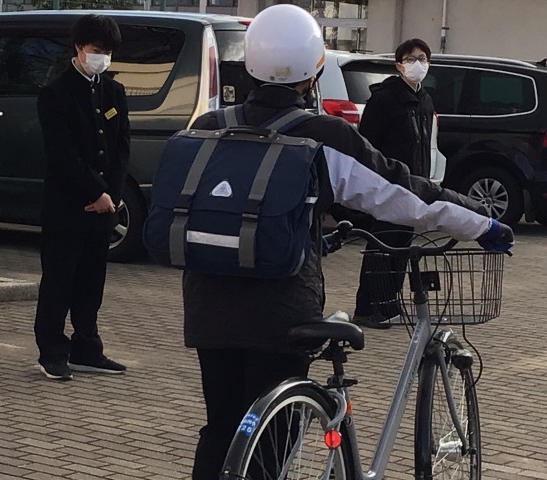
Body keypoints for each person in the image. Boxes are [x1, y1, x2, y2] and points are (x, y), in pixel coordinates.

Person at [181, 5, 514, 479]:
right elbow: (404, 194)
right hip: (279, 306)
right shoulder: (321, 135)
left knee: (222, 428)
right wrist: (483, 223)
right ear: (314, 70)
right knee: (273, 437)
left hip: (208, 302)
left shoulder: (208, 127)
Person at [33, 14, 130, 381]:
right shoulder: (55, 93)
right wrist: (94, 191)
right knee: (59, 282)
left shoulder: (114, 92)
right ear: (78, 47)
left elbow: (122, 149)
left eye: (108, 52)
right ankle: (52, 351)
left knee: (91, 284)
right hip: (66, 206)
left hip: (102, 210)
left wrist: (111, 195)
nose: (102, 58)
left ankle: (87, 348)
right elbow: (62, 154)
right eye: (96, 50)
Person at [352, 38, 436, 329]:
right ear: (399, 65)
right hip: (387, 185)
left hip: (414, 186)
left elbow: (424, 143)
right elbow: (367, 144)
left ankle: (389, 301)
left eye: (423, 58)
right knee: (382, 245)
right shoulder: (385, 99)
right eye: (411, 59)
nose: (418, 64)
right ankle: (368, 307)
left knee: (402, 246)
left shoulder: (424, 99)